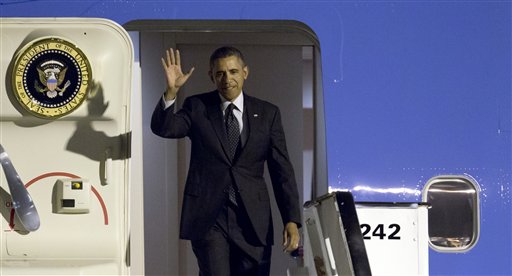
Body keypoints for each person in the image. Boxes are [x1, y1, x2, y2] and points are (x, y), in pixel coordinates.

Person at [151, 46, 301, 276]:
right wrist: (171, 92)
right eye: (220, 73)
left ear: (245, 72)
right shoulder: (197, 106)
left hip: (253, 220)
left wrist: (291, 219)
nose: (227, 79)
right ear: (211, 76)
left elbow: (282, 170)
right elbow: (165, 128)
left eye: (233, 72)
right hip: (210, 218)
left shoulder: (268, 113)